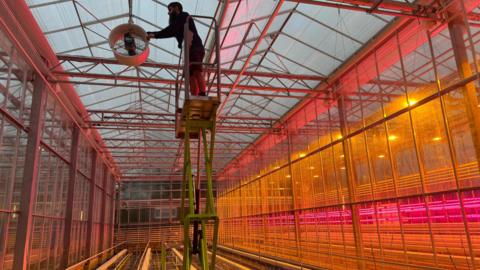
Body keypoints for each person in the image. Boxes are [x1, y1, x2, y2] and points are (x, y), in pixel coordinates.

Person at [147, 2, 206, 96]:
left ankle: (202, 93)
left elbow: (171, 30)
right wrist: (152, 34)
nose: (168, 13)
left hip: (194, 47)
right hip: (188, 50)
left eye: (170, 10)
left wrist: (153, 35)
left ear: (176, 8)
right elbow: (170, 31)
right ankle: (195, 95)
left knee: (196, 70)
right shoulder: (177, 25)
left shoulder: (184, 16)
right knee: (189, 74)